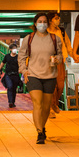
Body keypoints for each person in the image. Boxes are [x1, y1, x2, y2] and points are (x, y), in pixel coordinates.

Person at [18, 13, 63, 144]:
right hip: (33, 75)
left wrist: (57, 60)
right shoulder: (29, 38)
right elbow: (21, 56)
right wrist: (24, 70)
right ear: (35, 24)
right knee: (37, 103)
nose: (42, 24)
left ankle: (42, 127)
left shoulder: (55, 39)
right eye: (39, 21)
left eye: (44, 21)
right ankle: (39, 132)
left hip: (50, 75)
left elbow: (60, 55)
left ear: (47, 24)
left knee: (46, 106)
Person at [47, 11, 76, 118]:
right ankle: (50, 107)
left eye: (58, 18)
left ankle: (54, 103)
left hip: (60, 61)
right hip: (48, 61)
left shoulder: (62, 32)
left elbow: (68, 46)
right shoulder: (45, 32)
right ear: (50, 20)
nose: (58, 20)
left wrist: (74, 56)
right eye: (55, 18)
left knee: (60, 85)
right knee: (51, 85)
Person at [0, 43, 20, 108]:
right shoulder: (7, 56)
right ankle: (10, 102)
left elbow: (20, 64)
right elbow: (3, 63)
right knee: (10, 87)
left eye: (15, 48)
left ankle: (13, 102)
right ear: (10, 49)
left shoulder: (18, 57)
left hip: (16, 75)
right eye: (13, 48)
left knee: (14, 88)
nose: (15, 50)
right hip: (8, 74)